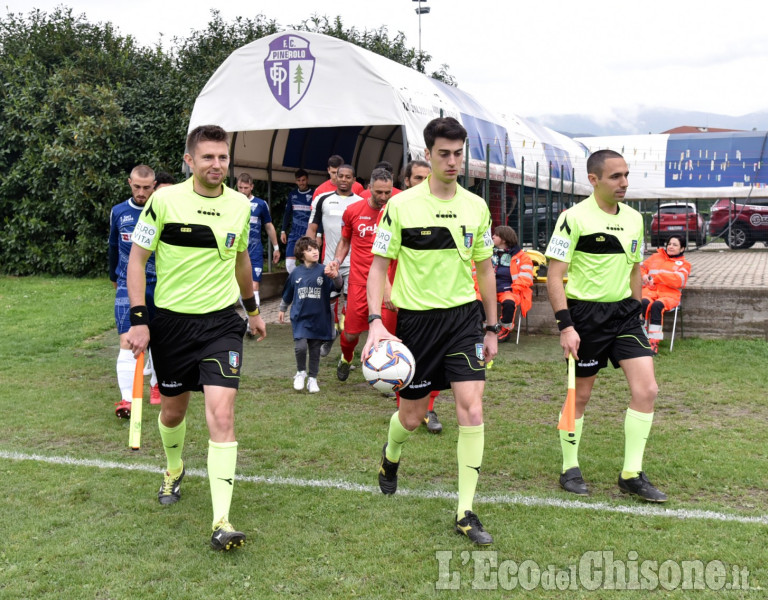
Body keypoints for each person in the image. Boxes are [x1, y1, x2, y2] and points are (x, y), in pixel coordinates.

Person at [125, 124, 267, 551]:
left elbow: (242, 261)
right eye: (207, 157)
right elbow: (136, 261)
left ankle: (221, 521)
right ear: (190, 160)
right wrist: (139, 319)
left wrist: (253, 310)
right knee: (172, 412)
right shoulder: (164, 201)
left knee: (222, 414)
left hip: (222, 323)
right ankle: (173, 468)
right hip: (171, 324)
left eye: (222, 157)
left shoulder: (242, 205)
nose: (216, 165)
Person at [364, 117, 499, 545]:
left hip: (463, 319)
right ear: (428, 154)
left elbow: (485, 269)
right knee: (413, 416)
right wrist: (375, 323)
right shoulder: (401, 207)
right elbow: (378, 267)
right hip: (416, 324)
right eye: (444, 153)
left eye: (459, 153)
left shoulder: (476, 207)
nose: (453, 161)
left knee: (471, 410)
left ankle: (465, 510)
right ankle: (391, 455)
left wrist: (492, 326)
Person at [544, 149, 666, 503]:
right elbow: (555, 275)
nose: (624, 183)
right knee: (579, 396)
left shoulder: (634, 218)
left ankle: (631, 473)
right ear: (594, 180)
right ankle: (570, 467)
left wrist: (639, 307)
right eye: (615, 176)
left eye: (626, 175)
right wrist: (565, 326)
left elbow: (634, 269)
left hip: (625, 316)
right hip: (584, 318)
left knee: (648, 390)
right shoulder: (573, 218)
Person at [387, 159, 442, 433]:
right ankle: (404, 406)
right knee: (400, 357)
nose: (423, 182)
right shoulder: (397, 208)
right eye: (417, 178)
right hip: (397, 296)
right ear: (406, 181)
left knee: (433, 359)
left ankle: (429, 410)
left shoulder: (443, 210)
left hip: (431, 300)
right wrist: (388, 290)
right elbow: (381, 260)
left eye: (426, 177)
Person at [326, 168, 393, 381]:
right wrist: (336, 261)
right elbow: (345, 241)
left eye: (387, 193)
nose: (383, 197)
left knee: (386, 337)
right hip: (359, 283)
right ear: (369, 188)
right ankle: (346, 358)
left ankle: (386, 377)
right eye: (379, 192)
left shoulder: (396, 212)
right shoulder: (353, 211)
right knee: (350, 334)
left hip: (387, 285)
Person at [108, 165, 160, 418]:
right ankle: (127, 400)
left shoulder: (162, 210)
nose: (141, 192)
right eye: (137, 187)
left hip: (160, 285)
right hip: (127, 284)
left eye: (146, 187)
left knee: (160, 340)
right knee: (127, 340)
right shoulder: (118, 211)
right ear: (130, 183)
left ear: (154, 185)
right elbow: (113, 246)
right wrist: (113, 277)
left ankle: (156, 384)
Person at [306, 164, 362, 355]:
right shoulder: (322, 200)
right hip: (330, 263)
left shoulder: (361, 202)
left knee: (351, 305)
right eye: (341, 176)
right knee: (328, 304)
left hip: (355, 263)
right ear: (335, 178)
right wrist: (309, 254)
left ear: (354, 180)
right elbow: (312, 229)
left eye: (349, 177)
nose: (344, 180)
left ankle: (346, 341)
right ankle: (330, 334)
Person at [278, 237, 343, 393]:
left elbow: (338, 286)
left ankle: (312, 379)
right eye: (309, 249)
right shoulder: (295, 273)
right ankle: (301, 372)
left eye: (315, 248)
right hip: (300, 318)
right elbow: (288, 292)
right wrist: (282, 308)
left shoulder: (324, 270)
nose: (315, 251)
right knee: (300, 348)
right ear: (301, 255)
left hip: (319, 318)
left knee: (314, 351)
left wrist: (336, 275)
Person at [641, 234, 691, 354]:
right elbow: (640, 268)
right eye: (669, 244)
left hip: (670, 296)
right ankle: (641, 339)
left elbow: (679, 280)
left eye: (675, 245)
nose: (671, 247)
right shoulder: (655, 257)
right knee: (642, 302)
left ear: (682, 248)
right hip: (650, 291)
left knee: (657, 306)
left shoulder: (685, 265)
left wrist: (658, 277)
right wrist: (644, 276)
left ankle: (653, 343)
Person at [238, 173, 280, 307]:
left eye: (245, 188)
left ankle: (252, 321)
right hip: (238, 251)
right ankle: (249, 315)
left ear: (252, 187)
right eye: (240, 187)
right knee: (240, 285)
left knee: (254, 284)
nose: (242, 191)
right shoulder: (233, 202)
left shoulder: (261, 204)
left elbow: (268, 226)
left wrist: (276, 248)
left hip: (255, 250)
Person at [491, 225, 533, 342]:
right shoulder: (487, 253)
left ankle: (505, 330)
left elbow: (526, 277)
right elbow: (476, 272)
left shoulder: (522, 257)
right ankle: (483, 330)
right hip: (488, 290)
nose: (492, 236)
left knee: (509, 303)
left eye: (496, 235)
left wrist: (513, 289)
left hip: (509, 290)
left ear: (504, 239)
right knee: (476, 301)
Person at [280, 169, 314, 274]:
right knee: (289, 264)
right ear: (296, 181)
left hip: (308, 234)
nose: (301, 183)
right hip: (294, 234)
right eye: (299, 180)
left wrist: (317, 234)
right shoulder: (292, 194)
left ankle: (306, 284)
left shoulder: (314, 194)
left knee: (308, 263)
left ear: (307, 180)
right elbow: (287, 213)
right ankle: (298, 282)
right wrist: (283, 231)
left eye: (303, 180)